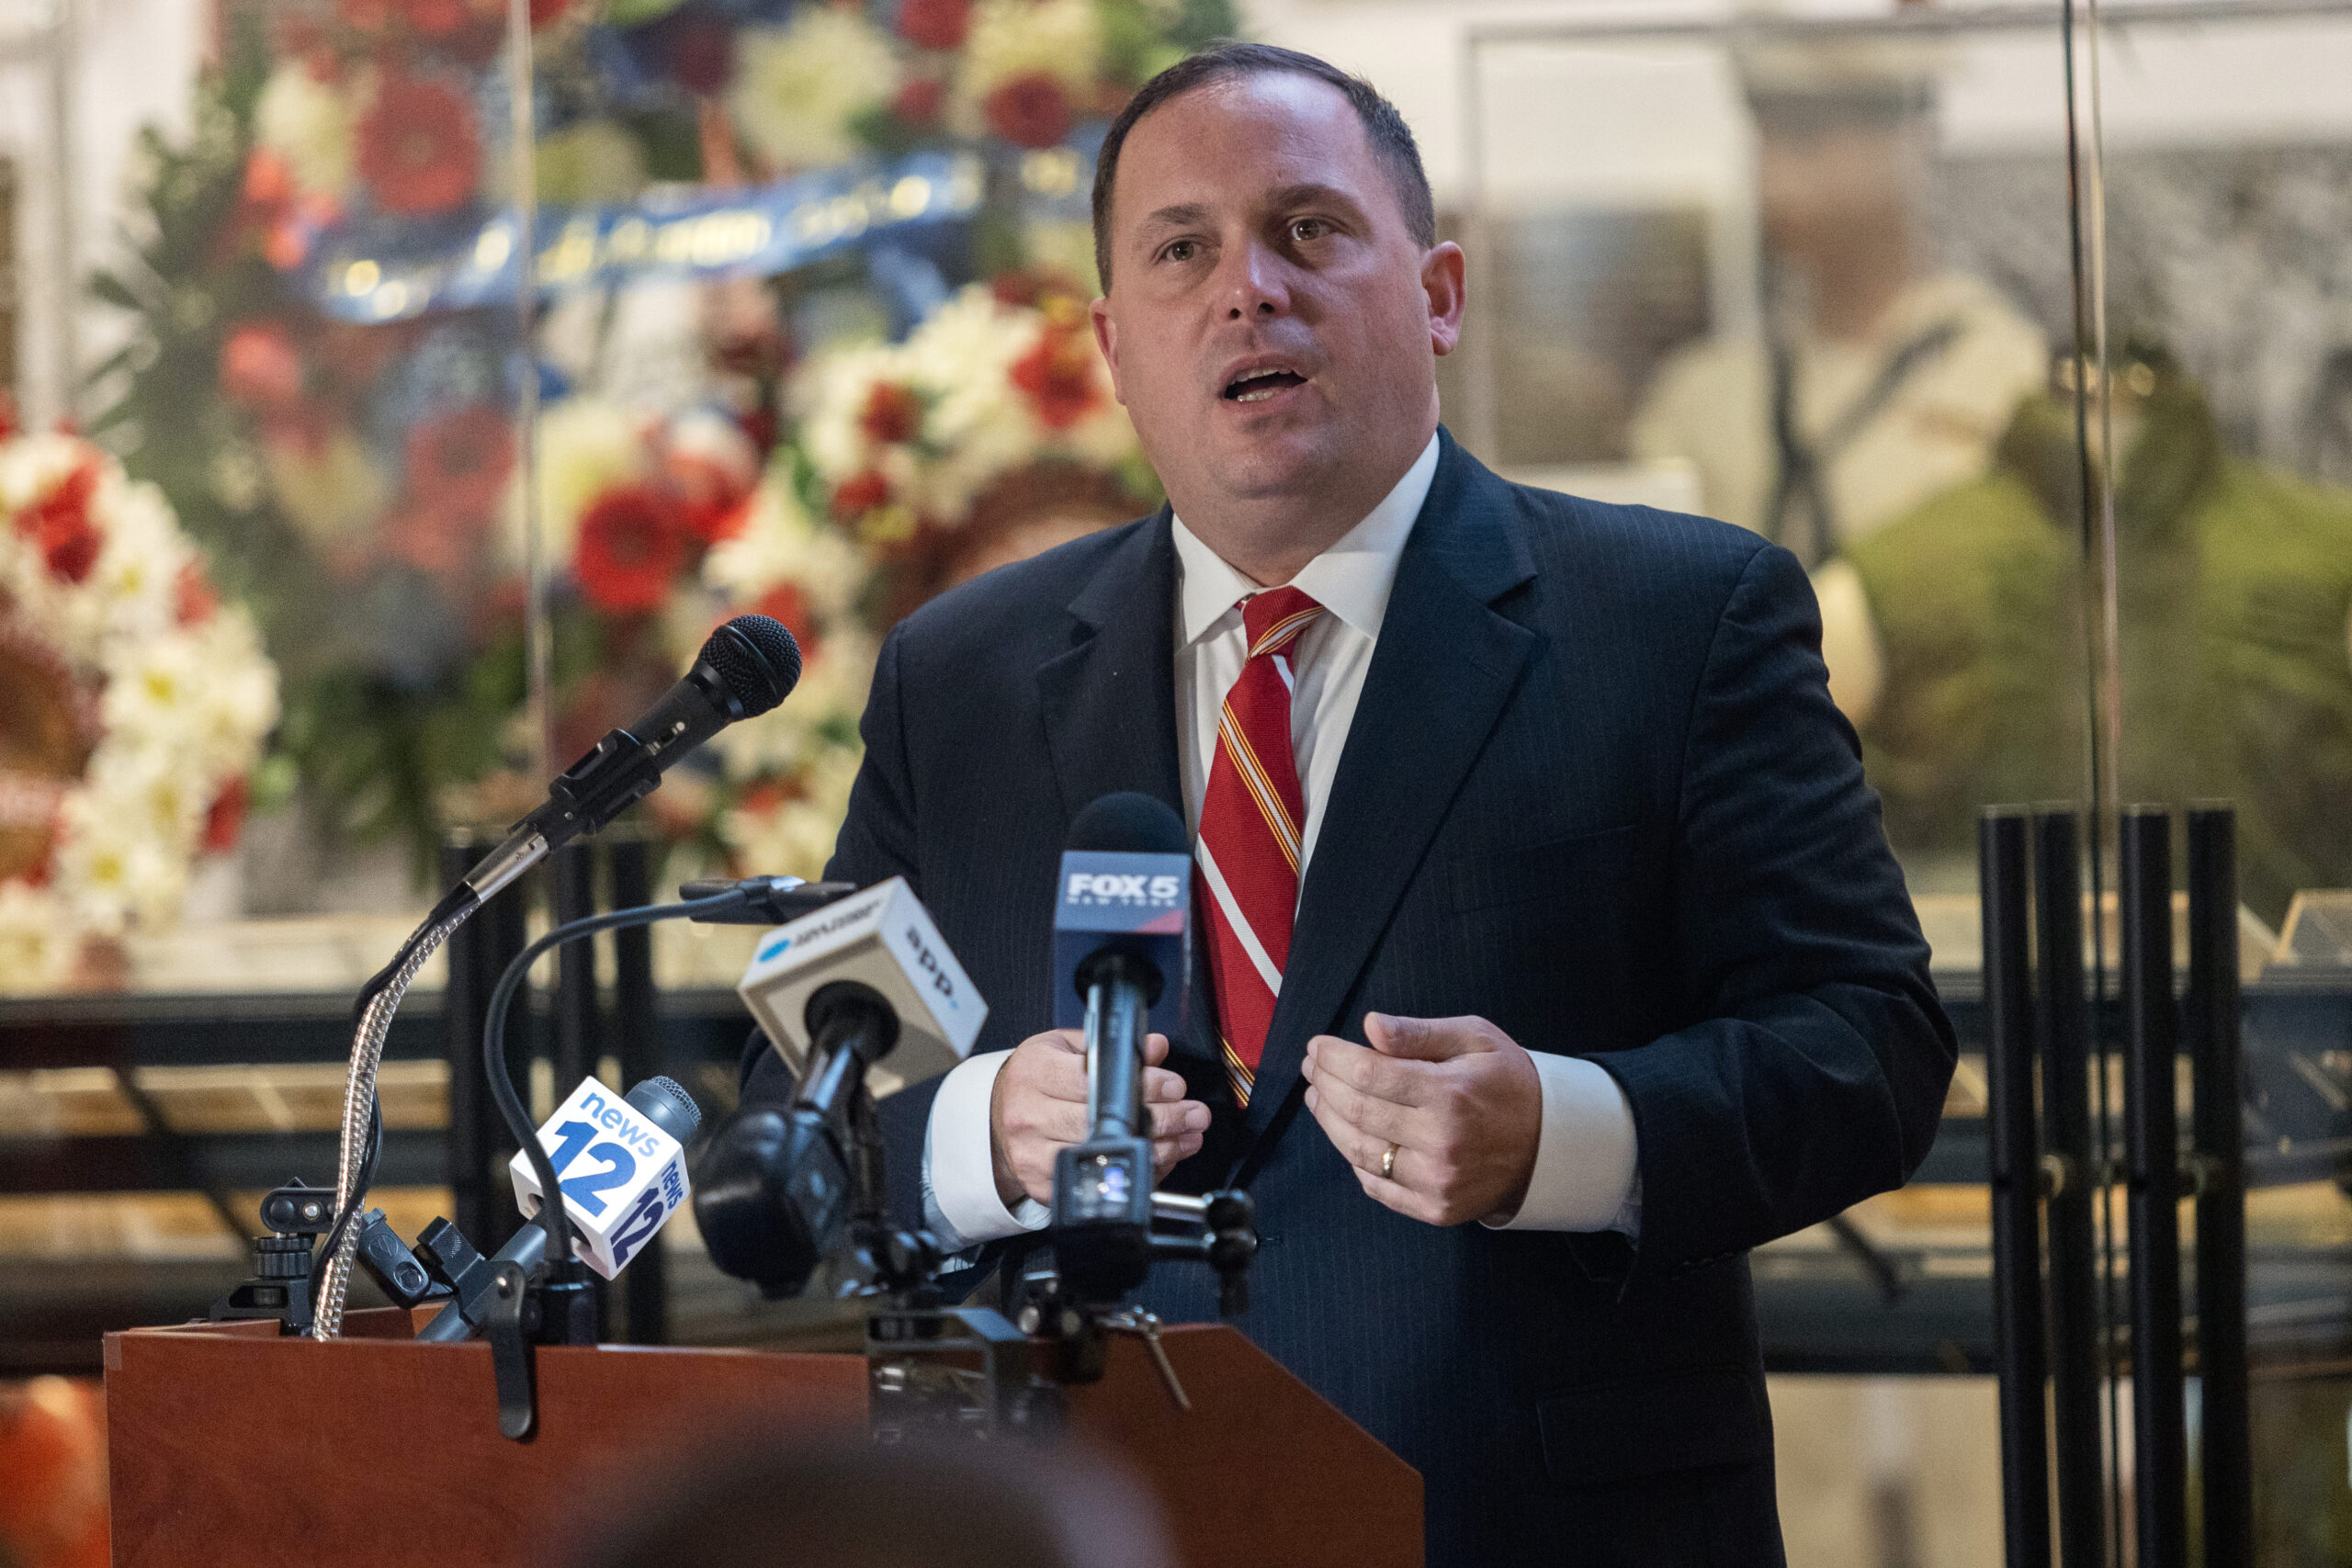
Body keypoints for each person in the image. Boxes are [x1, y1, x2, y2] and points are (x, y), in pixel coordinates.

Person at [741, 41, 1954, 1567]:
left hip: (1535, 1526)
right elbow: (795, 1099)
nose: (1248, 289)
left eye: (1309, 229)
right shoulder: (960, 677)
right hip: (1094, 1517)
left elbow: (1871, 1044)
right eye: (1183, 251)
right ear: (1117, 344)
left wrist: (1571, 1131)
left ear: (1437, 293)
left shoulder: (1680, 621)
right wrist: (979, 1133)